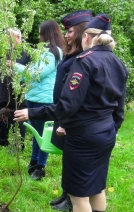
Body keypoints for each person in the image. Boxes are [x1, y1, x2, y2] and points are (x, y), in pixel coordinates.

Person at [14, 13, 129, 212]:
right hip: (106, 133)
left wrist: (33, 113)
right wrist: (112, 129)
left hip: (84, 136)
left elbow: (66, 106)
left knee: (79, 196)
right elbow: (119, 109)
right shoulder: (118, 63)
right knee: (97, 188)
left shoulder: (85, 61)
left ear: (86, 37)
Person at [50, 10, 93, 211]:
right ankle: (66, 194)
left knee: (74, 161)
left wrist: (67, 123)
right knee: (68, 158)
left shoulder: (83, 57)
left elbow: (78, 96)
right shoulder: (72, 53)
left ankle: (72, 199)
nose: (66, 35)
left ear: (81, 32)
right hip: (63, 111)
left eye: (70, 31)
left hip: (71, 117)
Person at [13, 20, 65, 180]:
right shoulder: (43, 51)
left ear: (48, 33)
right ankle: (34, 161)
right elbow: (30, 74)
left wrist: (16, 66)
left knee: (43, 134)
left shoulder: (54, 52)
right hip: (34, 96)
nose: (39, 36)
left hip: (45, 99)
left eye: (41, 32)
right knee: (36, 133)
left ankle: (41, 167)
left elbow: (38, 73)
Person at [0, 28, 31, 149]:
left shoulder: (27, 53)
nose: (7, 40)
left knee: (18, 116)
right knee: (1, 112)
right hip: (4, 91)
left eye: (9, 38)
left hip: (18, 91)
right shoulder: (7, 53)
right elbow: (1, 71)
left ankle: (18, 144)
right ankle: (1, 139)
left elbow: (30, 73)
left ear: (18, 37)